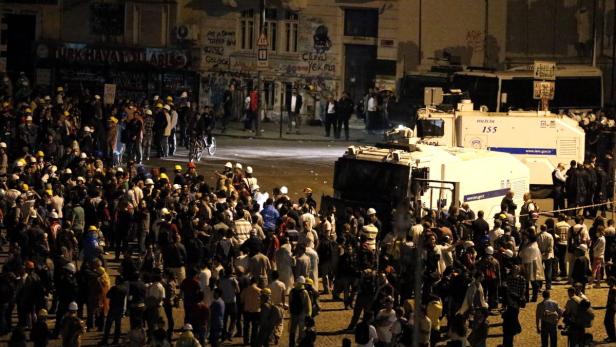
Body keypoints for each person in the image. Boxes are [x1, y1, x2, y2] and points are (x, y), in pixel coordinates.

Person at [288, 276, 311, 347]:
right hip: (302, 314)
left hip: (294, 313)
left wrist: (290, 312)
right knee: (301, 330)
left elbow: (290, 302)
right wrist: (308, 314)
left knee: (292, 329)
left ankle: (291, 344)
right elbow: (308, 305)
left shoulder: (291, 291)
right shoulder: (304, 292)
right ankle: (300, 344)